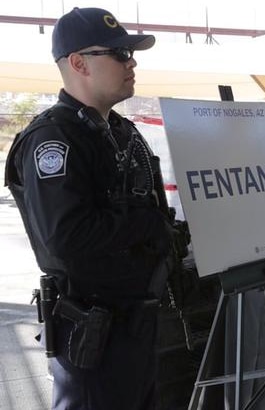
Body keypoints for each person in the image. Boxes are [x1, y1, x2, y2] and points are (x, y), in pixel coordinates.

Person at [4, 7, 174, 409]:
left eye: (131, 54)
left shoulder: (119, 130)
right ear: (79, 63)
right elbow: (67, 236)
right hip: (94, 335)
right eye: (118, 54)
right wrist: (149, 224)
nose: (131, 63)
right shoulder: (54, 140)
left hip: (137, 324)